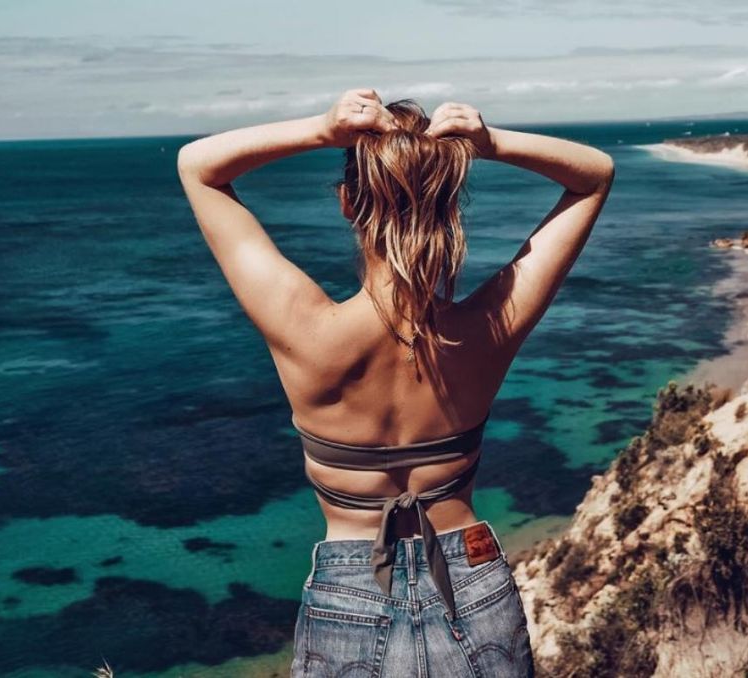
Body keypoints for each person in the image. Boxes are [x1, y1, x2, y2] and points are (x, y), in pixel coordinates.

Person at [177, 87, 614, 677]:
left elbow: (198, 166)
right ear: (449, 206)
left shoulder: (305, 329)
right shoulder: (487, 328)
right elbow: (594, 175)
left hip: (351, 587)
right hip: (471, 577)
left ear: (346, 203)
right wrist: (489, 142)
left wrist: (323, 128)